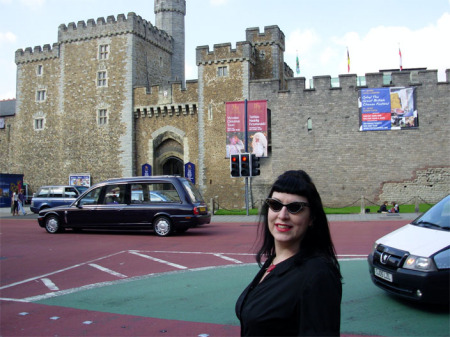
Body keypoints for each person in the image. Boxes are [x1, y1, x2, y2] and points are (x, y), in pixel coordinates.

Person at [235, 170, 342, 336]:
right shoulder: (274, 261)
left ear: (312, 218)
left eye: (295, 208)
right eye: (275, 205)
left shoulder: (318, 274)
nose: (282, 215)